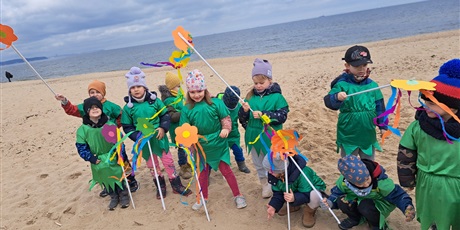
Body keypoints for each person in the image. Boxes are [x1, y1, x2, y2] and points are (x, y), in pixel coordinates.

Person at [397, 58, 460, 230]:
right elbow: (406, 153)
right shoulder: (418, 126)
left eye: (433, 103)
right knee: (434, 220)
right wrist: (407, 180)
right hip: (429, 185)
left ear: (453, 107)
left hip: (457, 183)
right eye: (425, 102)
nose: (426, 107)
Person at [55, 80, 139, 197]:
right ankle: (108, 184)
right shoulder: (87, 106)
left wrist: (114, 126)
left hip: (112, 139)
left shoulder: (111, 106)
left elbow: (122, 115)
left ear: (103, 93)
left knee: (122, 160)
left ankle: (131, 181)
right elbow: (72, 110)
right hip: (95, 139)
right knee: (101, 163)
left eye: (97, 92)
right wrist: (64, 101)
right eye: (92, 92)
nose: (94, 94)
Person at [180, 69, 247, 210]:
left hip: (218, 143)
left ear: (205, 89)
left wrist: (225, 129)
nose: (196, 95)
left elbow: (226, 118)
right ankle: (202, 197)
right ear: (188, 93)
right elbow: (185, 128)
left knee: (226, 171)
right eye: (192, 92)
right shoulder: (186, 108)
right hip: (201, 146)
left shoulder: (216, 103)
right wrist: (188, 143)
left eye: (199, 91)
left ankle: (238, 195)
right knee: (202, 173)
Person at [120, 66, 191, 200]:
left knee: (168, 161)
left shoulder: (155, 101)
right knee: (152, 165)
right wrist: (137, 137)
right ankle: (160, 186)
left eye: (138, 87)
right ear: (130, 90)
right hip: (145, 142)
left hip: (159, 138)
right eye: (133, 88)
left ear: (144, 87)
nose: (136, 90)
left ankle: (176, 184)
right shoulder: (128, 108)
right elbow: (127, 126)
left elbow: (165, 115)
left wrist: (163, 128)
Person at [323, 45, 386, 160]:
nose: (361, 69)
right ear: (347, 66)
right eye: (357, 66)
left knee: (369, 163)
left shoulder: (372, 85)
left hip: (368, 133)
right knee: (349, 164)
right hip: (348, 133)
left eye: (364, 65)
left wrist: (382, 125)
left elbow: (380, 107)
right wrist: (337, 97)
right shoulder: (342, 84)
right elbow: (329, 102)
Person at [239, 58, 289, 198]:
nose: (258, 86)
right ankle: (265, 184)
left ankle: (276, 183)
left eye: (262, 83)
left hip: (271, 136)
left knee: (273, 160)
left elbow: (282, 116)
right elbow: (242, 119)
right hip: (254, 136)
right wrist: (244, 111)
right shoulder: (249, 97)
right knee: (258, 162)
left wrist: (264, 115)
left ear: (270, 81)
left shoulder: (277, 97)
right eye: (256, 83)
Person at [322, 155, 415, 230]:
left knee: (365, 206)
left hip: (376, 205)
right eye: (360, 184)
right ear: (349, 181)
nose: (366, 184)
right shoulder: (343, 183)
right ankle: (354, 218)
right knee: (341, 200)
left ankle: (376, 224)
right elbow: (336, 193)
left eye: (367, 179)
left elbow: (398, 195)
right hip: (355, 200)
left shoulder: (381, 182)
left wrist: (406, 206)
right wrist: (330, 202)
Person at [75, 97, 130, 210]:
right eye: (91, 108)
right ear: (87, 111)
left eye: (97, 107)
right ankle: (113, 197)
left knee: (118, 176)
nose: (95, 109)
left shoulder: (110, 125)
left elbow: (119, 142)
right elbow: (81, 147)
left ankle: (124, 195)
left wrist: (120, 154)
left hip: (113, 156)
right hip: (98, 159)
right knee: (106, 179)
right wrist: (91, 158)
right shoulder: (83, 130)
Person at [264, 153, 326, 228]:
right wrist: (273, 206)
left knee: (315, 195)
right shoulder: (275, 175)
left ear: (281, 170)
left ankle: (309, 211)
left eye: (271, 170)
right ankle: (294, 206)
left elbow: (307, 194)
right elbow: (278, 193)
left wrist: (295, 198)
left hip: (311, 190)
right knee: (286, 192)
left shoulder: (303, 172)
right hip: (295, 190)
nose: (269, 173)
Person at [158, 72, 192, 179]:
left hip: (185, 127)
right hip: (177, 129)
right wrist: (185, 112)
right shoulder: (168, 100)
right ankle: (183, 167)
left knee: (188, 147)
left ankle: (189, 163)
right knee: (182, 148)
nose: (179, 88)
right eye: (178, 86)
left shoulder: (178, 96)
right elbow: (171, 116)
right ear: (172, 87)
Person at [216, 86, 251, 173]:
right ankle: (219, 169)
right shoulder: (217, 104)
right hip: (220, 134)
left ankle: (241, 164)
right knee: (220, 153)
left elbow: (242, 119)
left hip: (233, 134)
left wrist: (247, 125)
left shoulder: (238, 107)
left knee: (237, 150)